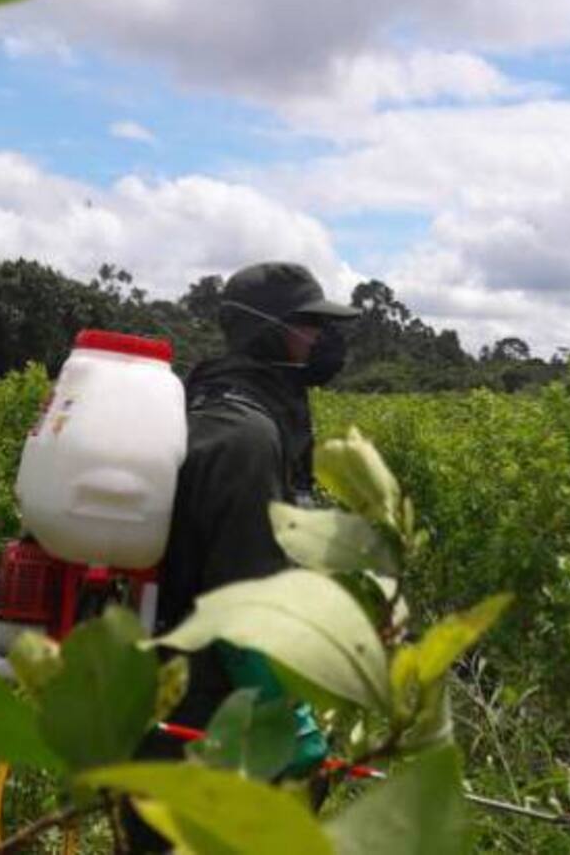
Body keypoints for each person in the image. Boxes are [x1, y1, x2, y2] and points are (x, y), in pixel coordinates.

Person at [124, 261, 359, 851]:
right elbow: (241, 600)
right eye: (307, 325)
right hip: (203, 722)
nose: (322, 341)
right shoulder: (245, 438)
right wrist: (289, 722)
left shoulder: (229, 409)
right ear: (265, 332)